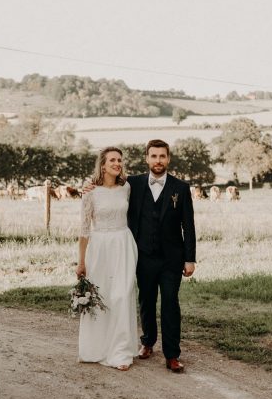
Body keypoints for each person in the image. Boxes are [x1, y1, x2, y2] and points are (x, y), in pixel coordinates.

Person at [126, 139, 196, 373]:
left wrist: (190, 258)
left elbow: (189, 226)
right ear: (146, 158)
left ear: (168, 159)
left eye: (162, 156)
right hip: (142, 255)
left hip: (171, 259)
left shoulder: (181, 188)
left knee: (170, 303)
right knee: (145, 300)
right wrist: (89, 187)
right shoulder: (132, 184)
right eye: (153, 156)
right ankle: (147, 342)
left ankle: (172, 355)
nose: (158, 161)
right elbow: (106, 186)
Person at [76, 147, 139, 371]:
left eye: (120, 160)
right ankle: (97, 348)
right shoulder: (90, 191)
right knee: (102, 297)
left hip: (123, 244)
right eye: (112, 160)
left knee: (122, 295)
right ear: (102, 164)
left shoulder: (127, 188)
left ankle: (121, 351)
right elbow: (84, 230)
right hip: (100, 247)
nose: (117, 163)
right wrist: (81, 262)